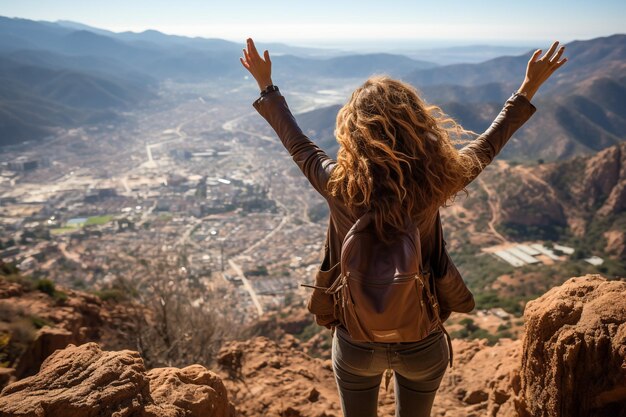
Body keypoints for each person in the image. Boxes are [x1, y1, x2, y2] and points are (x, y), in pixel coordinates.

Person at [240, 38, 567, 417]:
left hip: (354, 340)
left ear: (353, 132)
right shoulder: (436, 181)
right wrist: (527, 88)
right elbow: (486, 146)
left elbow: (298, 143)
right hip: (422, 340)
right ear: (416, 125)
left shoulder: (339, 185)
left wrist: (266, 86)